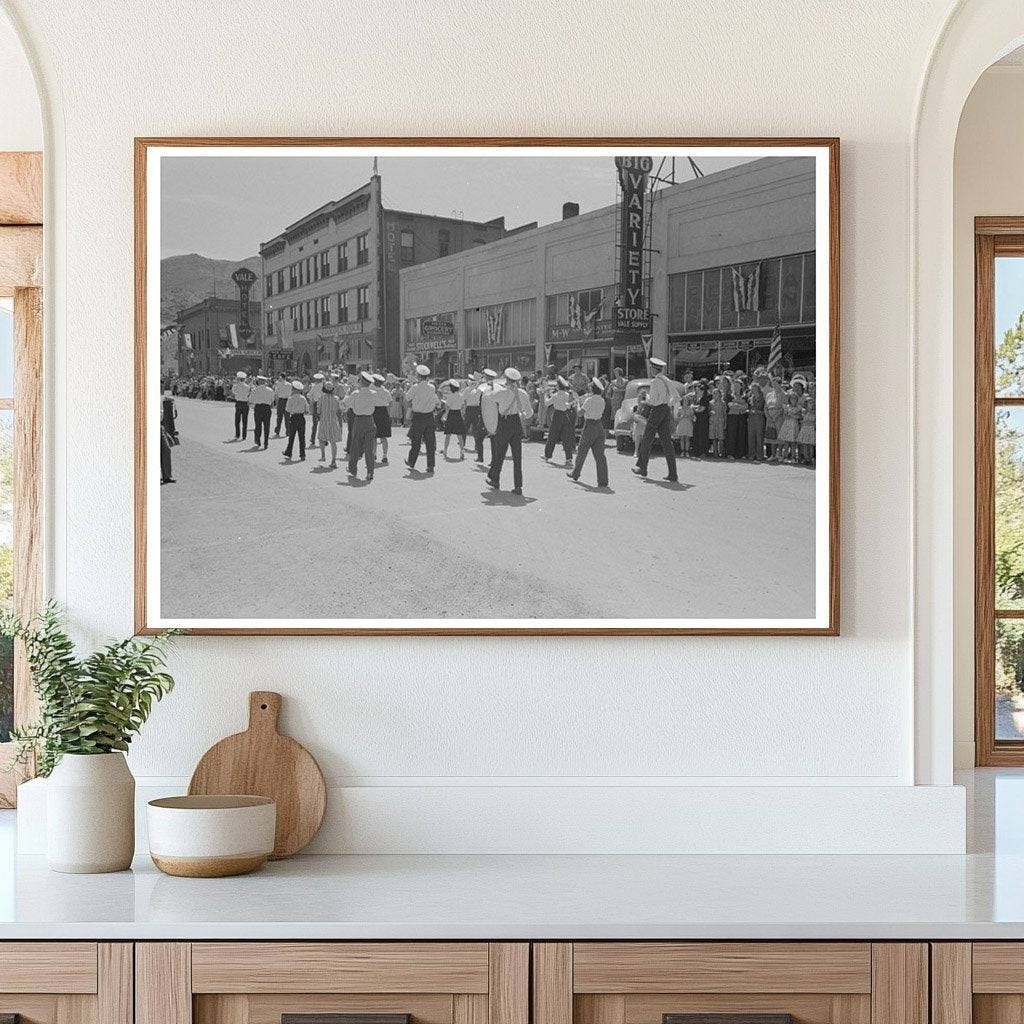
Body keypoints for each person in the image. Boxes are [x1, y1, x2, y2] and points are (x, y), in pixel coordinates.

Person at [487, 367, 532, 495]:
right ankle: (518, 486)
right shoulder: (523, 393)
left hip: (504, 423)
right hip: (516, 424)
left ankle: (495, 480)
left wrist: (493, 386)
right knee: (517, 457)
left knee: (499, 453)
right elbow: (529, 414)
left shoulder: (502, 392)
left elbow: (488, 398)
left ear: (507, 379)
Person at [633, 357, 679, 482]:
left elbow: (653, 401)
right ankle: (673, 473)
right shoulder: (666, 380)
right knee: (667, 442)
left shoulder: (655, 382)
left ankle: (642, 467)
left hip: (657, 410)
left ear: (654, 368)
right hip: (665, 410)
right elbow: (676, 396)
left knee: (647, 439)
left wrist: (645, 396)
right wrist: (668, 404)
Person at [568, 378, 609, 488]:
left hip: (589, 425)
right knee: (600, 456)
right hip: (599, 426)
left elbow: (580, 414)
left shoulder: (589, 400)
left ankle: (575, 473)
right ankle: (603, 480)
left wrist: (577, 404)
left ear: (592, 388)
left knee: (582, 451)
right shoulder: (602, 400)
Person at [406, 364, 440, 473]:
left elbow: (407, 397)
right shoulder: (432, 387)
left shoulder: (416, 387)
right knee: (430, 442)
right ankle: (431, 466)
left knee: (416, 441)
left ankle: (412, 462)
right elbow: (435, 401)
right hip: (429, 416)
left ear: (419, 376)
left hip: (419, 417)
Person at [347, 370, 378, 480]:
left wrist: (350, 391)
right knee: (369, 448)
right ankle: (370, 472)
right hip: (370, 420)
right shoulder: (374, 394)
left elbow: (347, 404)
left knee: (355, 445)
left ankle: (352, 469)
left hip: (359, 420)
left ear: (361, 381)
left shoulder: (356, 393)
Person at [544, 376, 577, 466]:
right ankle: (569, 458)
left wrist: (546, 395)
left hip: (557, 415)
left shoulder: (556, 395)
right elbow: (572, 404)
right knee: (566, 437)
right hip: (566, 415)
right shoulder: (567, 395)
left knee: (552, 436)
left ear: (558, 386)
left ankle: (547, 455)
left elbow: (547, 403)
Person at [317, 379, 345, 468]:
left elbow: (318, 410)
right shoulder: (336, 399)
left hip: (324, 421)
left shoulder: (321, 398)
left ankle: (323, 455)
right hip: (333, 421)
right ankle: (333, 461)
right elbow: (340, 410)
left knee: (321, 438)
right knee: (333, 442)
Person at [477, 368, 502, 464]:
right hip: (486, 415)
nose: (484, 378)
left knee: (491, 438)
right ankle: (483, 457)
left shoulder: (489, 388)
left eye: (485, 377)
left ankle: (491, 460)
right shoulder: (484, 387)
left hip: (489, 416)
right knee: (489, 439)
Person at [283, 380, 309, 461]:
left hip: (294, 417)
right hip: (301, 417)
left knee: (291, 437)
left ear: (294, 389)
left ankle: (289, 452)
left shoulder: (291, 398)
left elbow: (287, 409)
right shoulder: (303, 398)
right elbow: (307, 410)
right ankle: (302, 454)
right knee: (302, 437)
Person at [442, 379, 468, 459]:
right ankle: (462, 451)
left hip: (451, 414)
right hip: (458, 414)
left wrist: (445, 415)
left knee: (448, 434)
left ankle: (445, 450)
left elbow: (447, 407)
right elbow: (463, 405)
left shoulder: (450, 396)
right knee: (459, 435)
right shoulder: (460, 395)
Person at [372, 373, 393, 465]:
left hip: (374, 412)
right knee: (383, 436)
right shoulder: (386, 391)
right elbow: (391, 404)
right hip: (384, 412)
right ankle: (384, 456)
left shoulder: (371, 389)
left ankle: (374, 454)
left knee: (374, 436)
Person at [251, 374, 275, 449]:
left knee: (258, 425)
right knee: (266, 426)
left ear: (259, 381)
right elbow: (272, 401)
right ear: (265, 382)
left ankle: (258, 440)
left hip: (258, 408)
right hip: (267, 408)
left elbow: (251, 400)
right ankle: (266, 442)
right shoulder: (270, 390)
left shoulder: (255, 390)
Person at [463, 372, 483, 452]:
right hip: (476, 409)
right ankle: (477, 446)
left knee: (465, 427)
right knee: (476, 428)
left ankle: (463, 443)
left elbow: (463, 399)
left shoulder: (467, 389)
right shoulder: (479, 389)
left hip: (469, 409)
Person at [746, 380, 766, 461]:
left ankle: (760, 455)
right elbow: (747, 408)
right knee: (751, 436)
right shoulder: (750, 398)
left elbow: (765, 410)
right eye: (752, 389)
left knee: (759, 436)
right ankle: (751, 454)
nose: (753, 390)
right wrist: (748, 411)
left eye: (755, 388)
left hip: (760, 418)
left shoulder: (763, 398)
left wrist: (758, 412)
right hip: (751, 418)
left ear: (758, 389)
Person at [231, 371, 251, 440]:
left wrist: (235, 383)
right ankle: (244, 436)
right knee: (245, 420)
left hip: (239, 403)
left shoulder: (236, 386)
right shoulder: (247, 386)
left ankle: (237, 434)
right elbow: (249, 394)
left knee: (237, 420)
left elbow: (233, 392)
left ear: (239, 379)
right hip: (245, 404)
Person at [308, 372, 325, 446]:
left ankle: (313, 439)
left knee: (315, 423)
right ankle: (324, 439)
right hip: (323, 405)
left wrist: (312, 398)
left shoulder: (314, 386)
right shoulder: (324, 386)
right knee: (323, 423)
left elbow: (309, 395)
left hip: (316, 404)